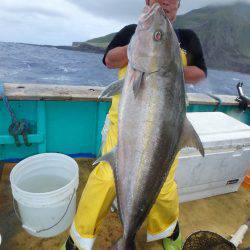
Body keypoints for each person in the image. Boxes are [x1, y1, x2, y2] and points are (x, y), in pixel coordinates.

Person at [62, 0, 207, 249]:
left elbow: (200, 73)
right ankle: (79, 238)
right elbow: (109, 60)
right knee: (105, 178)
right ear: (148, 2)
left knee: (164, 188)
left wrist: (165, 66)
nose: (165, 2)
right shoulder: (132, 31)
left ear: (179, 5)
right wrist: (139, 48)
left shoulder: (188, 37)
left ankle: (168, 231)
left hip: (166, 127)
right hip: (124, 124)